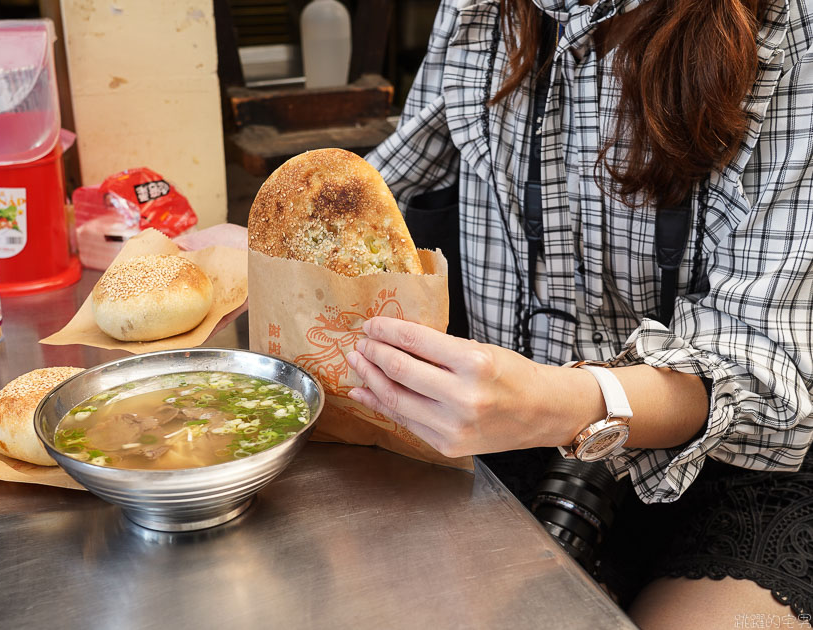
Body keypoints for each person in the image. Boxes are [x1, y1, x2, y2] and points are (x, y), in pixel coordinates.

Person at [344, 0, 813, 626]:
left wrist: (549, 399)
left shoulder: (789, 23)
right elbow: (393, 177)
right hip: (504, 434)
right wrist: (260, 253)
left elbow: (762, 357)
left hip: (730, 459)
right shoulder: (481, 9)